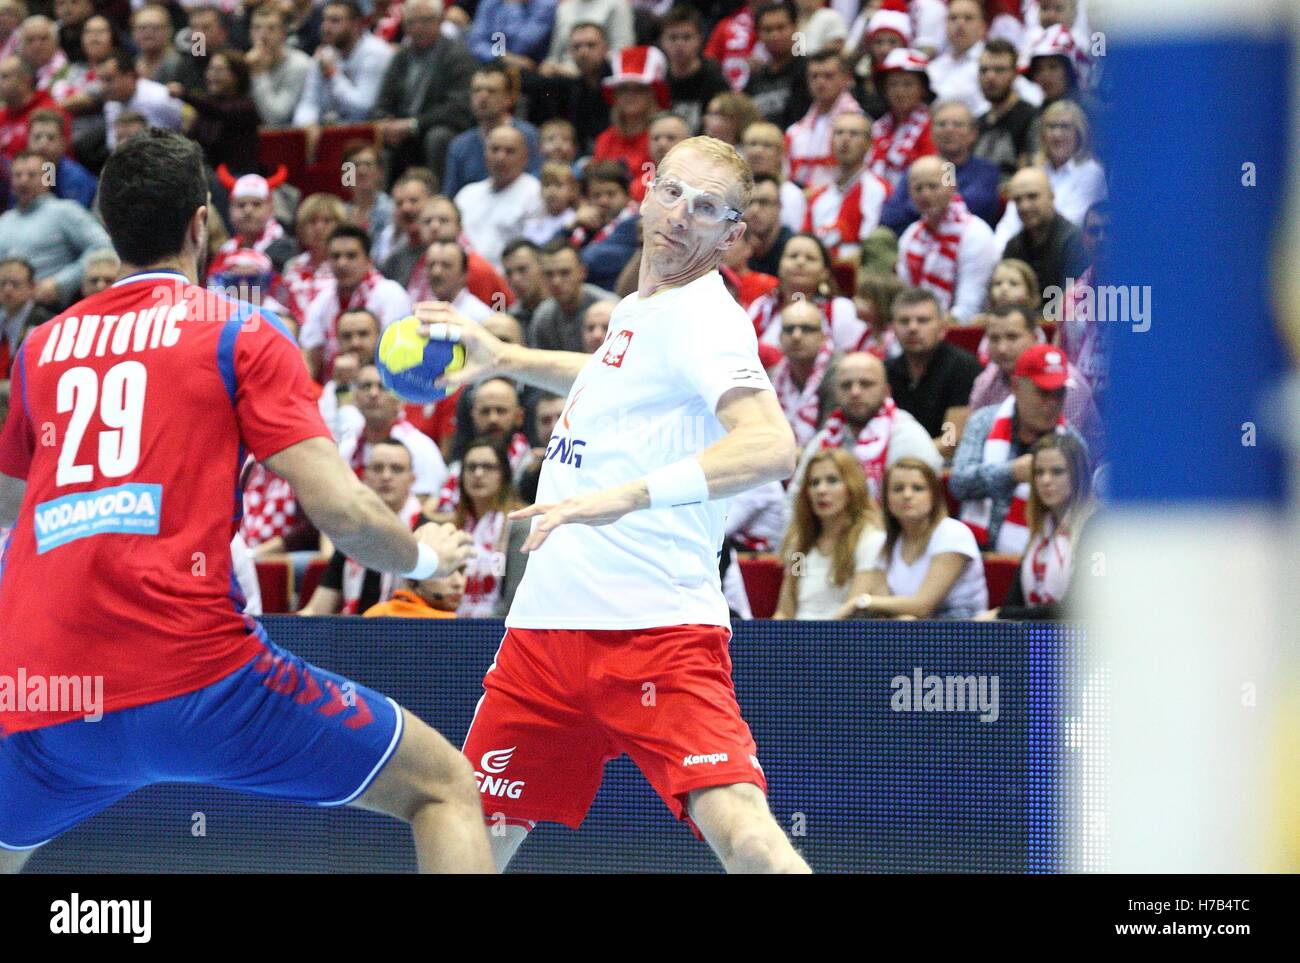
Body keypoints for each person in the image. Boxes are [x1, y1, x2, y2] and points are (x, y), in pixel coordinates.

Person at [0, 130, 492, 875]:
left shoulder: (39, 348)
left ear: (109, 228)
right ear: (202, 223)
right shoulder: (241, 331)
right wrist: (428, 554)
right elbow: (347, 514)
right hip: (199, 680)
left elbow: (12, 505)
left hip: (44, 690)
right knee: (445, 788)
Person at [418, 135, 811, 873]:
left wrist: (628, 495)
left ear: (732, 235)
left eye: (705, 209)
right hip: (543, 634)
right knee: (468, 838)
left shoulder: (708, 317)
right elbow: (613, 376)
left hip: (654, 630)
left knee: (747, 837)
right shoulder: (640, 304)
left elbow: (771, 445)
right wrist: (507, 360)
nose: (678, 216)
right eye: (670, 192)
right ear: (646, 192)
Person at [950, 343, 1085, 553]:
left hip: (1044, 557)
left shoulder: (1073, 443)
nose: (1051, 403)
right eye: (1042, 393)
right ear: (1016, 387)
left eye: (1058, 393)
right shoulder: (983, 422)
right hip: (975, 552)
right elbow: (959, 484)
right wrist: (1011, 473)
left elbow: (1082, 511)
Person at [299, 435, 430, 615]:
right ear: (365, 476)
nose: (386, 476)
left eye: (396, 469)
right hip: (354, 637)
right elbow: (317, 609)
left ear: (412, 479)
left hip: (409, 636)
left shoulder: (428, 534)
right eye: (377, 468)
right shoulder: (352, 534)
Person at [791, 350, 942, 504]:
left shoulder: (909, 439)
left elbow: (924, 508)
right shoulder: (824, 440)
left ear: (886, 392)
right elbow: (795, 500)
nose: (855, 392)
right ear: (836, 393)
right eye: (846, 385)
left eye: (866, 384)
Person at [846, 457, 987, 619]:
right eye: (898, 489)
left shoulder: (953, 533)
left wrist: (863, 601)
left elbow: (922, 606)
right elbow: (885, 607)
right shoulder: (882, 544)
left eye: (918, 488)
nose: (907, 495)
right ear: (886, 499)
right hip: (905, 633)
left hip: (964, 633)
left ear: (934, 496)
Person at [977, 432, 1094, 621]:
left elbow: (1081, 604)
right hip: (1037, 640)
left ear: (1078, 475)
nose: (1045, 481)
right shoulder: (1042, 527)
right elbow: (1014, 600)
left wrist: (1003, 614)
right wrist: (1003, 614)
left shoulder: (1096, 525)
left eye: (1057, 471)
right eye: (1039, 472)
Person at [968, 303, 1101, 452]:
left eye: (1012, 337)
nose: (1002, 348)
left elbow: (1061, 454)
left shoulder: (1067, 383)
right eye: (994, 339)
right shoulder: (985, 382)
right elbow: (975, 443)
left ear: (1035, 337)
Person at [773, 448, 885, 620]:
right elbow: (786, 610)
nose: (821, 490)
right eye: (814, 483)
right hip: (796, 640)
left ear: (852, 486)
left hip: (841, 638)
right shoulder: (800, 545)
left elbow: (854, 608)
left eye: (832, 480)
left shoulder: (869, 539)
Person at [300, 225, 412, 381]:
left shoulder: (391, 294)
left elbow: (399, 354)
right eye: (335, 256)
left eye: (351, 256)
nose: (342, 263)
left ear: (369, 260)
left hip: (382, 385)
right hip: (333, 389)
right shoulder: (321, 301)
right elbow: (309, 356)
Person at [895, 155, 998, 324]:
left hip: (962, 332)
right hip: (920, 326)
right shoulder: (910, 236)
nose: (925, 194)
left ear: (952, 185)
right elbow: (906, 296)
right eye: (918, 188)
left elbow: (969, 309)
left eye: (933, 186)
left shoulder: (975, 233)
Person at [0, 148, 110, 308]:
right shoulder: (4, 221)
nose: (23, 181)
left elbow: (102, 247)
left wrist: (61, 283)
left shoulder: (65, 211)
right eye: (17, 175)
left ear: (48, 178)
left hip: (48, 310)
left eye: (31, 175)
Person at [439, 436, 529, 617]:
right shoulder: (451, 528)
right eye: (471, 467)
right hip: (448, 626)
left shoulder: (520, 524)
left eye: (488, 467)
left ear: (504, 474)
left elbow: (516, 598)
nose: (478, 474)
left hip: (497, 629)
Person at [994, 98, 1106, 243]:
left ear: (1079, 133)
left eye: (1065, 127)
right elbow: (1009, 223)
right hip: (1025, 250)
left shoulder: (1091, 173)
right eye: (1051, 127)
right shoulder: (1035, 171)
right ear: (1042, 135)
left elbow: (1071, 225)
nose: (1057, 135)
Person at [884, 286, 982, 452]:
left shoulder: (962, 367)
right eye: (904, 321)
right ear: (893, 329)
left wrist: (906, 456)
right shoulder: (885, 371)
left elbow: (951, 439)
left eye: (923, 320)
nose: (912, 328)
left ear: (942, 329)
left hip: (941, 465)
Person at [881, 99, 1000, 233]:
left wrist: (918, 205)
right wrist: (931, 207)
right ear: (931, 133)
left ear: (973, 134)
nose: (949, 130)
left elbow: (971, 205)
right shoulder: (918, 169)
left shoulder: (985, 171)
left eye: (958, 124)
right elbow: (889, 215)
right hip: (919, 242)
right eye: (942, 124)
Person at [337, 362, 450, 501]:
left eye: (383, 386)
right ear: (355, 397)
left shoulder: (421, 448)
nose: (373, 393)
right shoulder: (347, 448)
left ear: (400, 397)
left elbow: (424, 508)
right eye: (366, 386)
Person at [747, 232, 867, 351]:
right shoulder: (762, 308)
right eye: (793, 256)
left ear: (825, 272)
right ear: (779, 266)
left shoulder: (839, 309)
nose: (800, 262)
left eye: (810, 258)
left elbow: (854, 358)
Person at [442, 59, 541, 199]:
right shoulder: (459, 145)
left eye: (491, 91)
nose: (483, 97)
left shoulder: (527, 136)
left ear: (509, 98)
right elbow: (451, 196)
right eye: (477, 90)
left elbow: (537, 182)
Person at [802, 111, 890, 264]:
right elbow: (805, 244)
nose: (845, 139)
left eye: (854, 134)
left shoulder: (880, 190)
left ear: (869, 143)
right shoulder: (817, 197)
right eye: (839, 133)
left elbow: (872, 249)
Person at [454, 124, 545, 268]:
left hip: (507, 282)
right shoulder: (466, 195)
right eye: (495, 149)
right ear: (485, 154)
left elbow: (531, 250)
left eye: (510, 151)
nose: (500, 157)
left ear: (525, 157)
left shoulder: (535, 193)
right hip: (465, 278)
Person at [293, 0, 394, 127]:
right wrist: (307, 125)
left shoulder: (376, 52)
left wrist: (332, 74)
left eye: (335, 21)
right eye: (325, 20)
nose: (326, 27)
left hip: (367, 131)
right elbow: (308, 103)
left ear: (356, 24)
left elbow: (363, 108)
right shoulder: (324, 54)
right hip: (332, 129)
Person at [999, 166, 1087, 298]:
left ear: (1051, 196)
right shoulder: (1014, 246)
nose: (1024, 206)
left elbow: (1069, 305)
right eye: (1018, 200)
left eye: (1032, 196)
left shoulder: (1075, 242)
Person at [593, 45, 667, 202]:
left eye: (638, 89)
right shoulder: (605, 140)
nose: (629, 95)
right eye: (623, 89)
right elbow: (597, 188)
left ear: (653, 93)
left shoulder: (663, 137)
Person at [785, 50, 861, 191]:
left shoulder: (859, 124)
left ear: (846, 79)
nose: (820, 82)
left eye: (828, 76)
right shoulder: (795, 132)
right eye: (814, 76)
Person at [768, 298, 838, 447]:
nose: (796, 336)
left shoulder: (840, 373)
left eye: (806, 329)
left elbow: (831, 430)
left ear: (823, 337)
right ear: (780, 338)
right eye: (789, 329)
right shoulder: (770, 377)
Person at [867, 47, 936, 190]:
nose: (899, 92)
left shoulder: (933, 127)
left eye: (907, 84)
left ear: (923, 89)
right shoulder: (877, 127)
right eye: (893, 85)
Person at [206, 171, 299, 278]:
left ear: (271, 209)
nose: (248, 210)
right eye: (241, 205)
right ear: (230, 210)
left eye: (256, 204)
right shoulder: (224, 250)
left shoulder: (287, 249)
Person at [528, 239, 615, 351]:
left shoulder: (611, 307)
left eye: (565, 273)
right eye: (549, 274)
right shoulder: (543, 316)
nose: (556, 282)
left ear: (582, 272)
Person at [566, 160, 640, 292]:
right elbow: (549, 251)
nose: (603, 200)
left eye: (611, 194)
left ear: (627, 195)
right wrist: (571, 226)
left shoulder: (634, 222)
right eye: (596, 195)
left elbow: (592, 260)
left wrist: (562, 261)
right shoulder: (587, 226)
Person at [659, 4, 728, 134]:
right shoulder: (659, 77)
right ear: (662, 41)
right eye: (673, 38)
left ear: (699, 40)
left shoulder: (713, 78)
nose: (679, 44)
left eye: (687, 37)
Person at [973, 38, 1035, 181]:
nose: (990, 77)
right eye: (984, 70)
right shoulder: (977, 123)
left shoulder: (1030, 117)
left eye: (999, 70)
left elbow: (1028, 176)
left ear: (1015, 74)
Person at [98, 48, 182, 150]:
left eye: (108, 80)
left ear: (129, 76)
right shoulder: (111, 104)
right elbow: (112, 145)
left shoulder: (161, 98)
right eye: (101, 80)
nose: (103, 87)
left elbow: (187, 127)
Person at [744, 1, 810, 129]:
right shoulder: (756, 77)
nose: (775, 35)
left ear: (795, 28)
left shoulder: (808, 71)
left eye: (781, 28)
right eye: (768, 30)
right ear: (759, 35)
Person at [247, 2, 312, 127]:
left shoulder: (299, 65)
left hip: (288, 138)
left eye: (271, 28)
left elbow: (276, 118)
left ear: (283, 34)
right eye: (257, 28)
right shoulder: (246, 61)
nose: (263, 35)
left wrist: (258, 74)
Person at [284, 192, 346, 321]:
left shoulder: (345, 265)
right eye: (312, 221)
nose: (319, 227)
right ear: (301, 228)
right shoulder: (292, 266)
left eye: (327, 221)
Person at [740, 120, 805, 233]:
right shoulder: (733, 189)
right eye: (752, 144)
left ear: (780, 153)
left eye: (767, 145)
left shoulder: (791, 194)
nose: (758, 151)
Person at [25, 107, 94, 208]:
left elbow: (73, 218)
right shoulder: (22, 176)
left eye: (51, 138)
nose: (43, 143)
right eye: (37, 137)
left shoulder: (75, 178)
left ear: (63, 143)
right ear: (28, 141)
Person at [0, 54, 62, 160]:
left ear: (25, 80)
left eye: (5, 77)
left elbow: (49, 163)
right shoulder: (2, 116)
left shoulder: (48, 111)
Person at [0, 256, 52, 376]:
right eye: (2, 283)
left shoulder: (47, 324)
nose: (7, 289)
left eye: (15, 284)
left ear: (32, 287)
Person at [466, 0, 557, 68]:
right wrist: (501, 57)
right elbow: (476, 42)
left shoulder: (546, 4)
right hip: (494, 61)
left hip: (531, 65)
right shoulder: (490, 3)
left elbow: (521, 45)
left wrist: (513, 6)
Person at [424, 238, 493, 320]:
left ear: (464, 274)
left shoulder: (481, 317)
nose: (436, 272)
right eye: (431, 265)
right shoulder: (422, 312)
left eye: (446, 265)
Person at [363, 565, 466, 617]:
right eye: (445, 572)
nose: (458, 583)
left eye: (462, 571)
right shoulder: (381, 617)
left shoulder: (376, 614)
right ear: (412, 580)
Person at [521, 159, 579, 245]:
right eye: (547, 185)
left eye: (558, 185)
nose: (552, 191)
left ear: (572, 191)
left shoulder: (574, 220)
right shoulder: (533, 222)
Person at [502, 238, 547, 331]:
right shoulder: (511, 319)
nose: (515, 279)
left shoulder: (564, 310)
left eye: (522, 269)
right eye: (509, 273)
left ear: (542, 266)